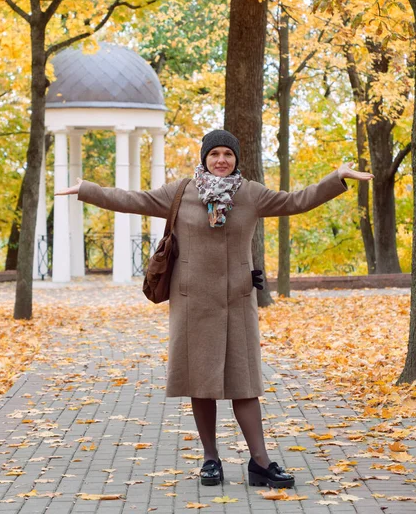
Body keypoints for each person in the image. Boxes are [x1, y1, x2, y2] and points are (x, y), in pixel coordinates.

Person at [55, 129, 373, 489]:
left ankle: (260, 462)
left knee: (245, 384)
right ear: (204, 158)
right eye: (214, 154)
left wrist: (336, 178)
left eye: (228, 154)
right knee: (201, 383)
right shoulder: (180, 192)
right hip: (193, 304)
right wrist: (87, 189)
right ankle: (210, 460)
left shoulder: (251, 194)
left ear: (237, 158)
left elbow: (296, 201)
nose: (221, 159)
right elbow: (133, 199)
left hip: (237, 302)